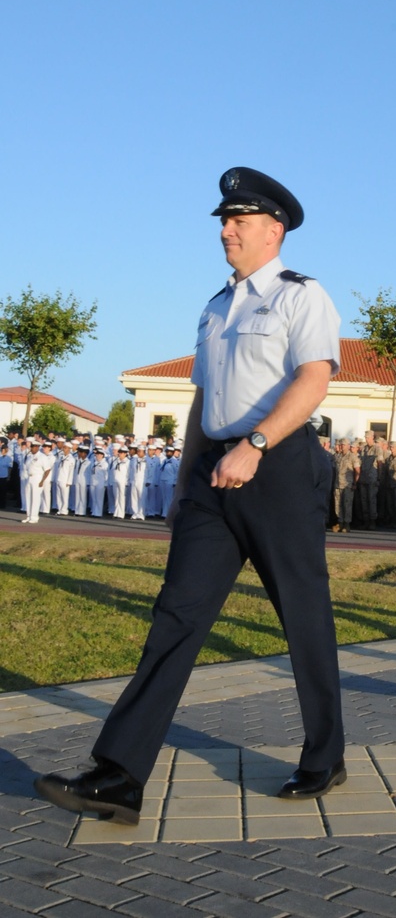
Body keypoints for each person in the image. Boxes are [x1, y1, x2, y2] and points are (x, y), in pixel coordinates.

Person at [35, 167, 346, 825]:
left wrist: (255, 444)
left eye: (239, 220)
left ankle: (325, 753)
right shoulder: (215, 305)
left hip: (278, 464)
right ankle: (120, 775)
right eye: (224, 220)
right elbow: (204, 398)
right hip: (212, 473)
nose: (226, 229)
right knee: (175, 616)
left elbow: (315, 378)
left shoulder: (301, 295)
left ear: (274, 229)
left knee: (301, 612)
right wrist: (183, 483)